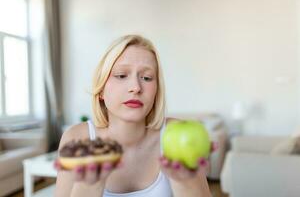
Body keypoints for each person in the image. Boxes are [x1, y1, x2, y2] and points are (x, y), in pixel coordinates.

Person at [54, 35, 214, 197]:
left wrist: (185, 183)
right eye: (122, 75)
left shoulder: (177, 134)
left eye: (146, 78)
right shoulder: (77, 138)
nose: (136, 87)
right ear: (101, 89)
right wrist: (89, 187)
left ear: (156, 91)